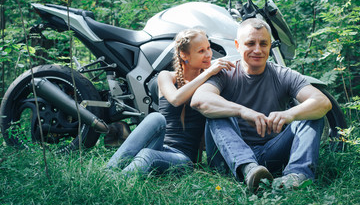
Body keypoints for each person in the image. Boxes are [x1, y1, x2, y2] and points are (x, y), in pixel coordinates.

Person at [190, 18, 332, 192]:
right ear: (237, 45)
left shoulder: (283, 75)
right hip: (226, 160)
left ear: (270, 46)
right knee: (217, 112)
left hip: (270, 154)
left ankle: (296, 176)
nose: (257, 50)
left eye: (263, 44)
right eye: (250, 43)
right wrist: (242, 111)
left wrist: (291, 114)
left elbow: (322, 102)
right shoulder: (224, 73)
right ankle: (248, 168)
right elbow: (199, 100)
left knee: (313, 114)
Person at [106, 28, 234, 177]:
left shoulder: (209, 84)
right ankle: (109, 173)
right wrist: (208, 72)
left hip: (183, 158)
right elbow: (175, 99)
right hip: (160, 146)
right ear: (184, 55)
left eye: (208, 48)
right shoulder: (166, 76)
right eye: (201, 51)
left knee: (148, 155)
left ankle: (116, 180)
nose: (209, 54)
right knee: (156, 118)